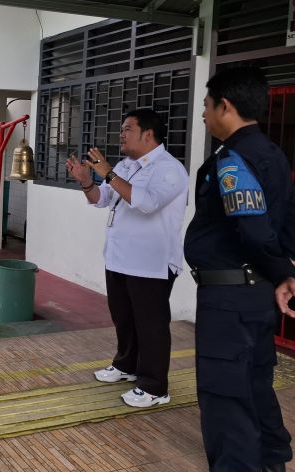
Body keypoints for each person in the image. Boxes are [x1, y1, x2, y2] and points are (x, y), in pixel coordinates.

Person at [184, 67, 295, 472]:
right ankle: (272, 462)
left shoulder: (233, 158)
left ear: (225, 106)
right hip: (256, 296)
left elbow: (253, 228)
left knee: (226, 397)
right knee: (256, 386)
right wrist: (292, 274)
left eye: (206, 106)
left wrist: (281, 268)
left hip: (229, 300)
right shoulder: (272, 153)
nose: (204, 114)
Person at [67, 109, 188, 408]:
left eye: (127, 129)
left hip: (151, 264)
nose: (121, 134)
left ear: (148, 134)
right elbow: (102, 199)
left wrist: (108, 173)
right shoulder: (126, 165)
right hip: (119, 258)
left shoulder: (169, 169)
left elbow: (147, 203)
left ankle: (154, 386)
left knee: (151, 325)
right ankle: (126, 365)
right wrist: (86, 182)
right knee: (124, 318)